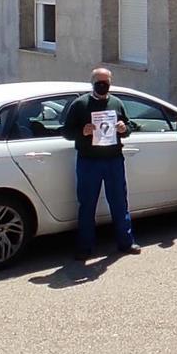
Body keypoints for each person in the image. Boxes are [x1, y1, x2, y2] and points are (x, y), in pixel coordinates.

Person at [61, 67, 139, 260]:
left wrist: (123, 128)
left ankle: (126, 242)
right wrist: (83, 132)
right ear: (92, 83)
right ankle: (85, 247)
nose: (103, 86)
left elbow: (130, 127)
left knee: (119, 202)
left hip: (113, 159)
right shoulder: (80, 104)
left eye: (106, 82)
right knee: (87, 204)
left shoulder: (116, 103)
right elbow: (66, 131)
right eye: (99, 82)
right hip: (89, 161)